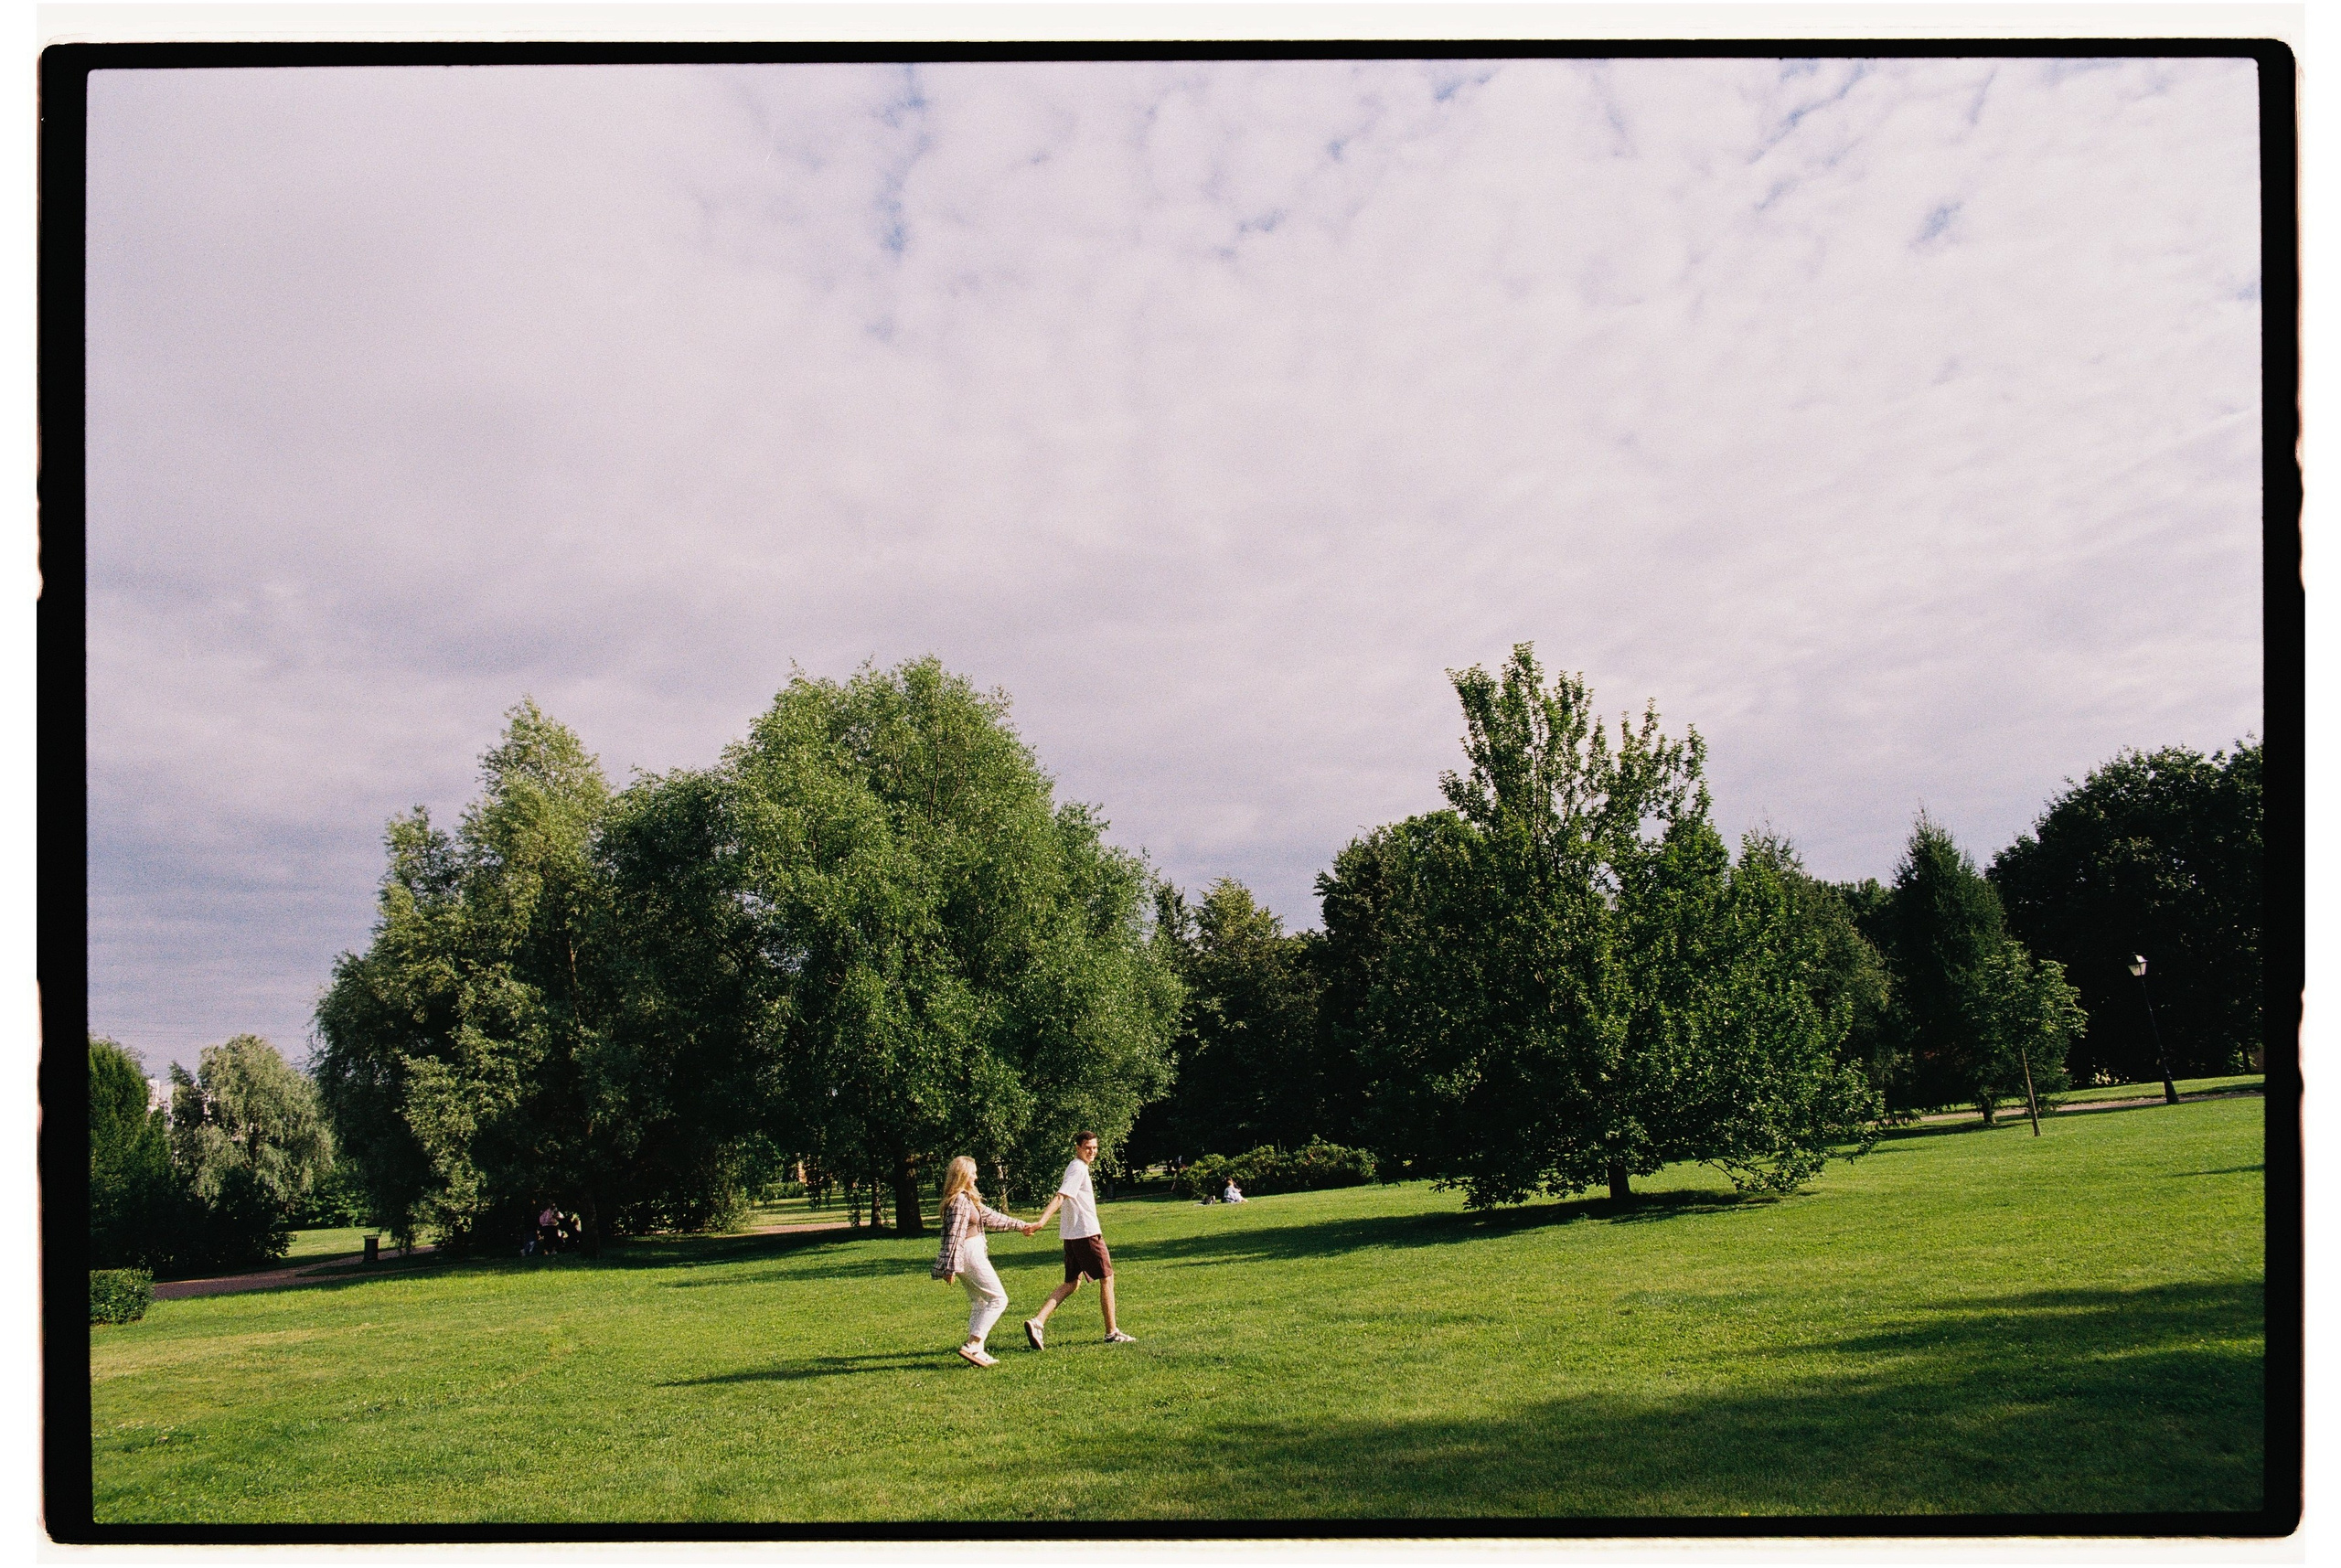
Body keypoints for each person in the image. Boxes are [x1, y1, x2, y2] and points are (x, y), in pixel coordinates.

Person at [1023, 1131, 1137, 1349]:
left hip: (1073, 1235)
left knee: (1071, 1283)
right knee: (1107, 1278)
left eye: (1095, 1148)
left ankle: (1037, 1322)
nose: (1092, 1152)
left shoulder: (1077, 1167)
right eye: (1087, 1147)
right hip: (1086, 1234)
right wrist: (1041, 1222)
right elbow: (1060, 1196)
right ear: (1077, 1147)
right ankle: (1112, 1332)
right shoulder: (1077, 1168)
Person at [931, 1155, 1039, 1367]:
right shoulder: (960, 1202)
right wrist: (950, 1268)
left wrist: (1021, 1225)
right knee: (999, 1299)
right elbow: (953, 1236)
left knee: (979, 1302)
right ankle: (973, 1344)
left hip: (970, 1253)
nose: (976, 1176)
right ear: (962, 1174)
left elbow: (990, 1217)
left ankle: (976, 1351)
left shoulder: (967, 1198)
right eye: (973, 1172)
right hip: (969, 1254)